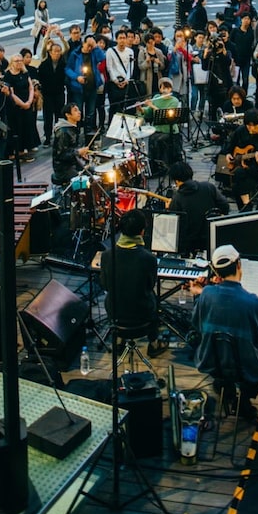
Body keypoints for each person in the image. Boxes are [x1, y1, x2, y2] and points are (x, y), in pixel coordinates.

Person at [191, 243, 258, 419]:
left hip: (213, 362)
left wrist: (199, 294)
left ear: (217, 273)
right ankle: (244, 399)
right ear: (239, 265)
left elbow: (196, 325)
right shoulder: (254, 302)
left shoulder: (206, 294)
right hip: (246, 368)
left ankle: (224, 386)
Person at [100, 209, 165, 356]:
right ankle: (154, 344)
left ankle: (118, 342)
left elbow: (104, 285)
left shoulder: (107, 255)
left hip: (115, 313)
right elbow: (150, 286)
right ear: (142, 232)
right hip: (142, 316)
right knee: (153, 297)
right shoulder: (149, 258)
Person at [167, 161, 230, 255]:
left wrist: (168, 209)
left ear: (176, 180)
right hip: (212, 237)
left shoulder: (177, 199)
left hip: (190, 244)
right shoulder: (209, 187)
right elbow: (225, 205)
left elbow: (174, 226)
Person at [51, 101, 88, 186]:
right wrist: (78, 152)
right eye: (75, 110)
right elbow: (60, 155)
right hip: (64, 169)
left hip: (73, 164)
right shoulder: (63, 132)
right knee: (87, 180)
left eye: (78, 110)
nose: (79, 112)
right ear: (68, 115)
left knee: (92, 171)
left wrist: (81, 153)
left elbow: (72, 148)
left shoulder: (72, 128)